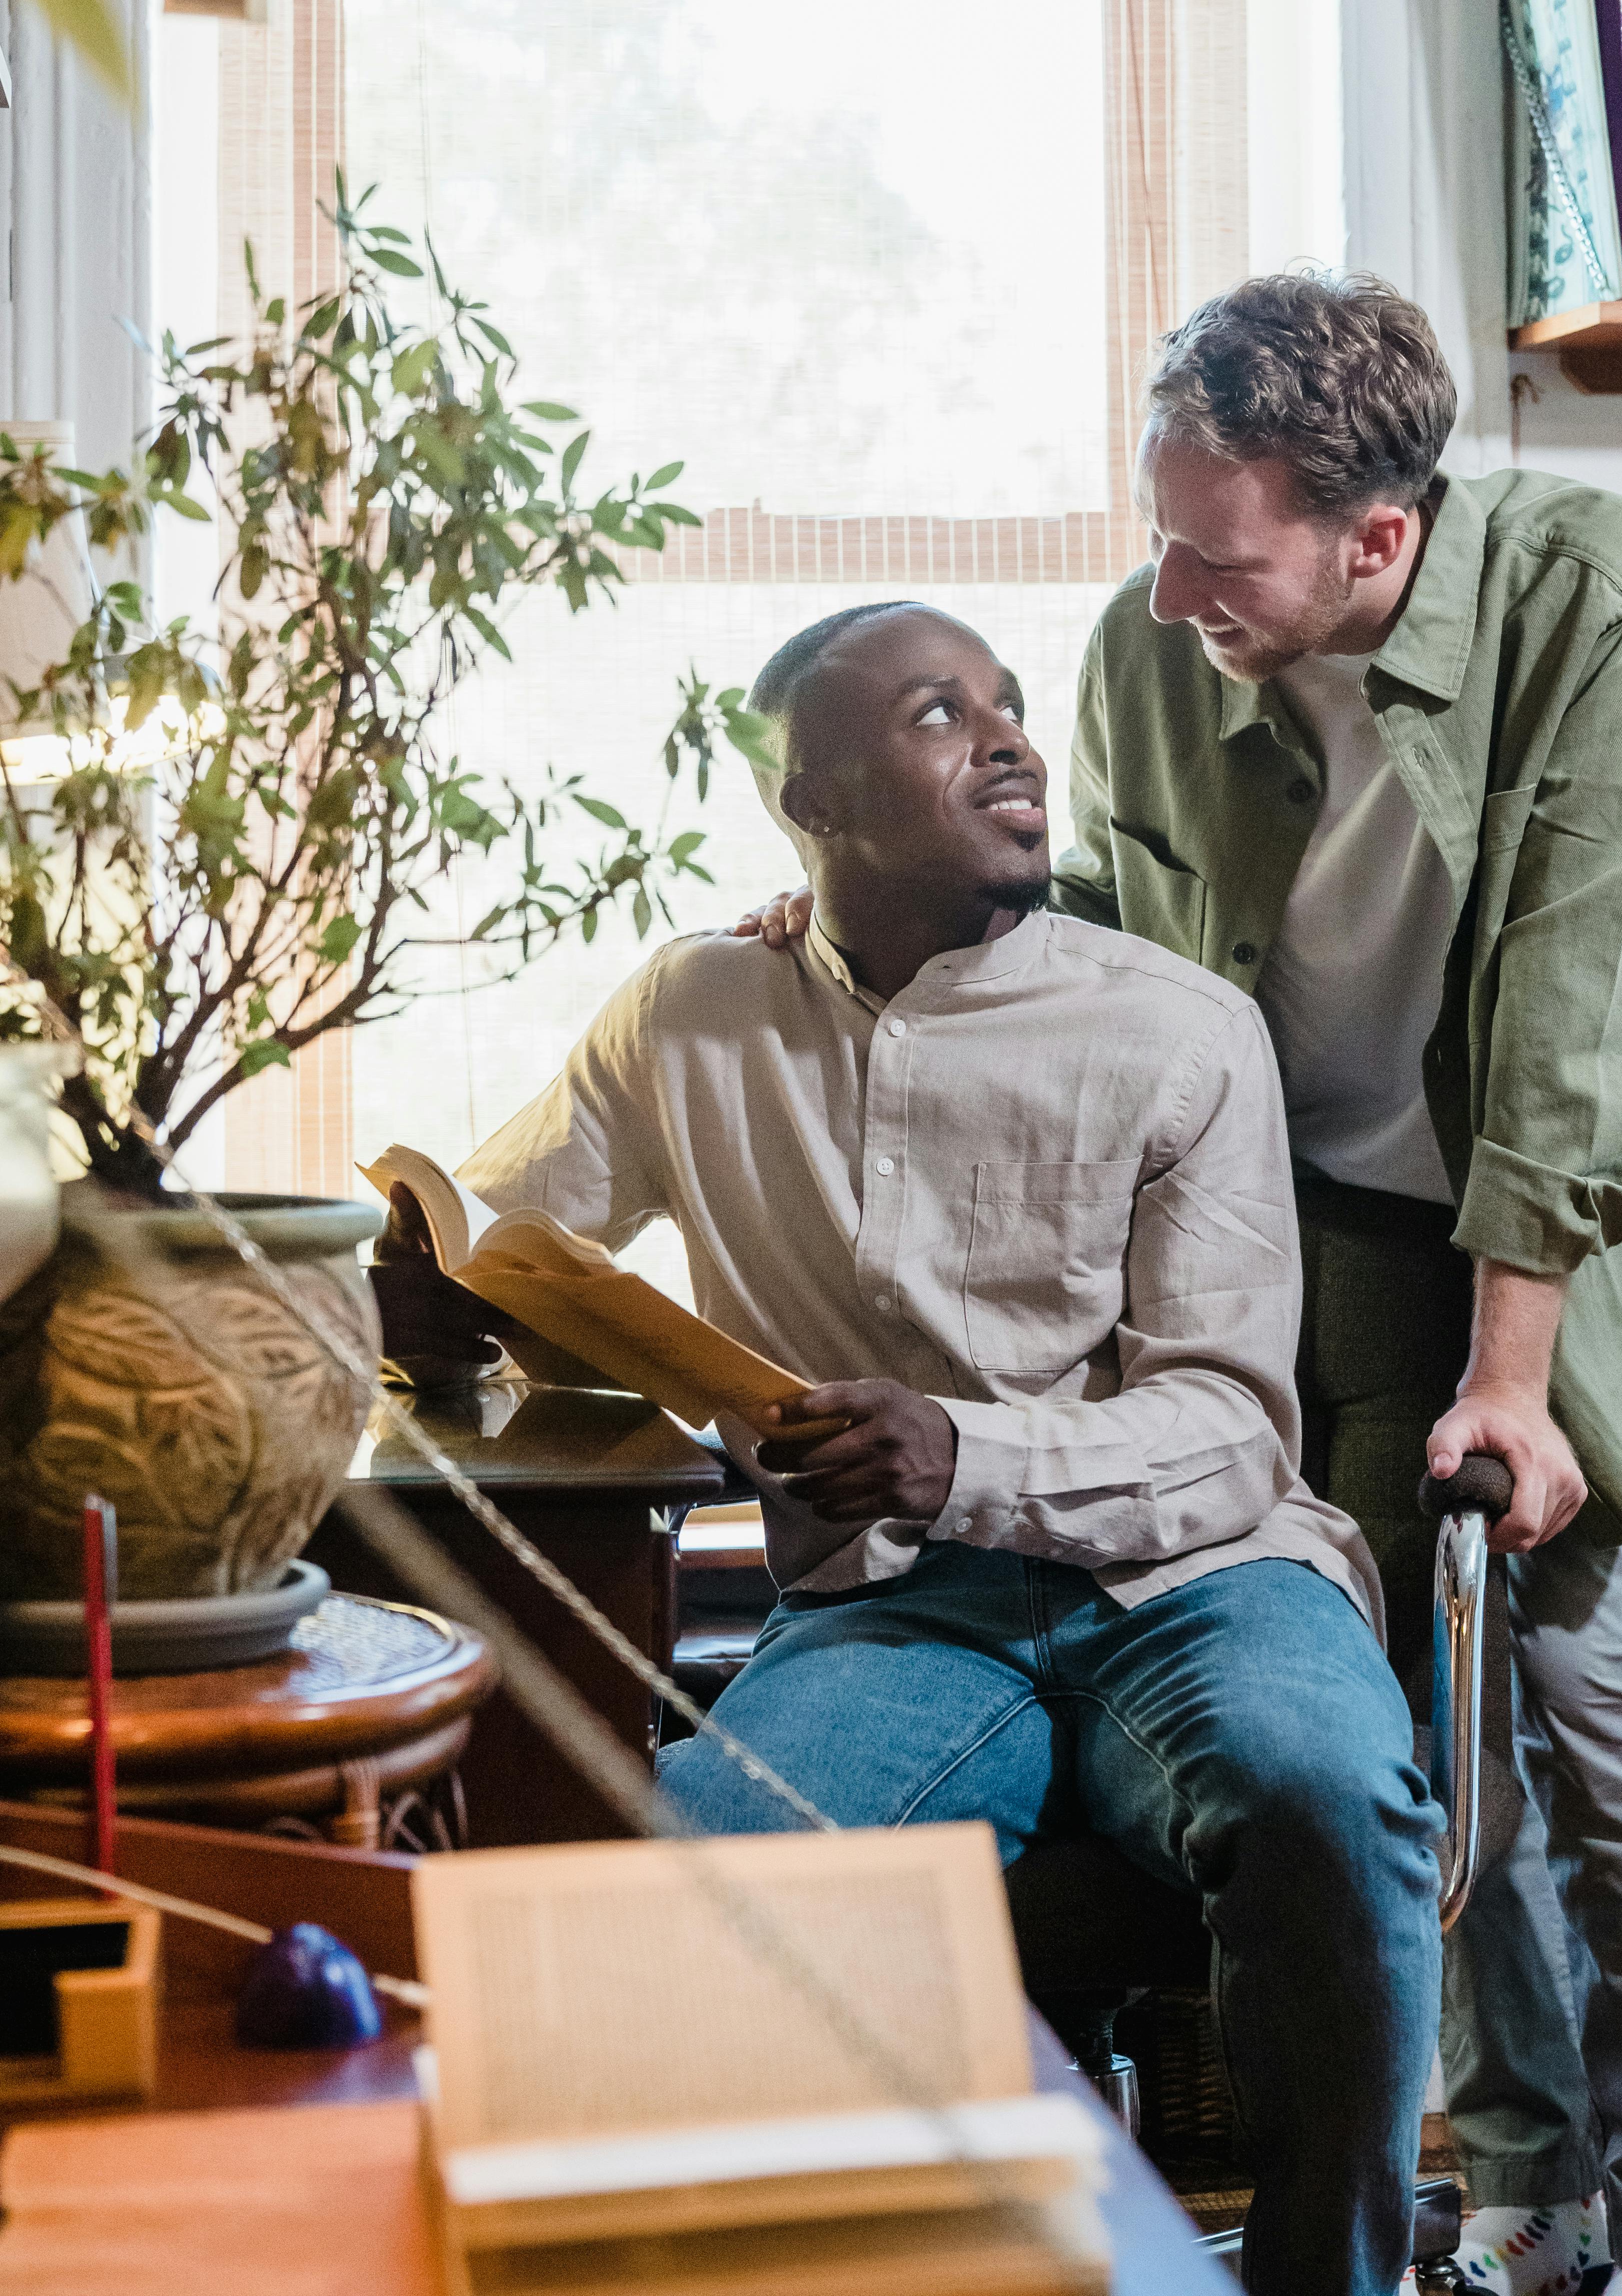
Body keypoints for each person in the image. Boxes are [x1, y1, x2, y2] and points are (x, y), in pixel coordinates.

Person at [744, 274, 1622, 2296]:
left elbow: (1585, 1000)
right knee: (1397, 1714)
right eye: (1158, 533)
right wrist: (875, 907)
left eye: (1219, 552)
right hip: (1312, 1218)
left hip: (1544, 1209)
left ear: (1375, 537)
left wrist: (1515, 1377)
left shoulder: (1596, 592)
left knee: (1568, 1670)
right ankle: (1526, 2200)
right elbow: (1108, 937)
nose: (1168, 587)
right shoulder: (1151, 644)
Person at [377, 599, 1443, 2296]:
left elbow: (1234, 1426)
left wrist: (961, 1456)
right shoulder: (689, 1012)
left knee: (1323, 1797)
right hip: (889, 1610)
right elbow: (518, 1240)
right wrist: (439, 1303)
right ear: (811, 796)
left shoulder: (1176, 1028)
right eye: (942, 715)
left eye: (1009, 706)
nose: (1012, 739)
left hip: (1207, 1582)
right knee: (702, 1884)